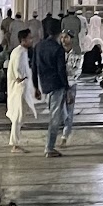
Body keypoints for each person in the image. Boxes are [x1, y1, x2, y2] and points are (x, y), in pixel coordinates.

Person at [32, 21, 69, 156]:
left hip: (44, 85)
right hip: (56, 85)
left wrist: (36, 86)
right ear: (59, 32)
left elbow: (34, 68)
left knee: (59, 114)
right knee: (54, 117)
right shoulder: (57, 48)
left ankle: (65, 130)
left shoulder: (38, 46)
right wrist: (66, 87)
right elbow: (61, 70)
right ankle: (49, 147)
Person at [7, 27, 36, 151]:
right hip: (19, 87)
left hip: (22, 86)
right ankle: (15, 144)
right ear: (23, 40)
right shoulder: (20, 53)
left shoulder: (20, 51)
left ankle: (16, 143)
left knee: (20, 115)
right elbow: (18, 70)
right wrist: (20, 77)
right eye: (29, 38)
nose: (31, 40)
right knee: (18, 116)